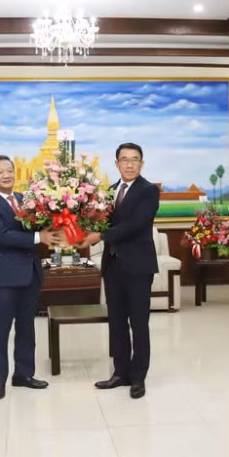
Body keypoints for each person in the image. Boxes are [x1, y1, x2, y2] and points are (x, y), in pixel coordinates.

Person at [0, 155, 61, 400]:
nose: (6, 175)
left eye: (9, 170)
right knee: (1, 330)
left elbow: (42, 226)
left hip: (31, 274)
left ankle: (23, 374)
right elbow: (0, 236)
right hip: (5, 278)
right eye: (0, 171)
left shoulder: (26, 200)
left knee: (27, 328)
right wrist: (38, 238)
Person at [81, 142, 160, 400]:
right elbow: (96, 219)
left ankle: (138, 378)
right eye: (124, 159)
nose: (129, 164)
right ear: (116, 163)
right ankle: (120, 373)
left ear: (141, 163)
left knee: (138, 323)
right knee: (116, 323)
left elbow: (137, 224)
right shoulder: (109, 191)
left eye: (134, 159)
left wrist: (98, 235)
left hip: (138, 266)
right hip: (113, 266)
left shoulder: (149, 191)